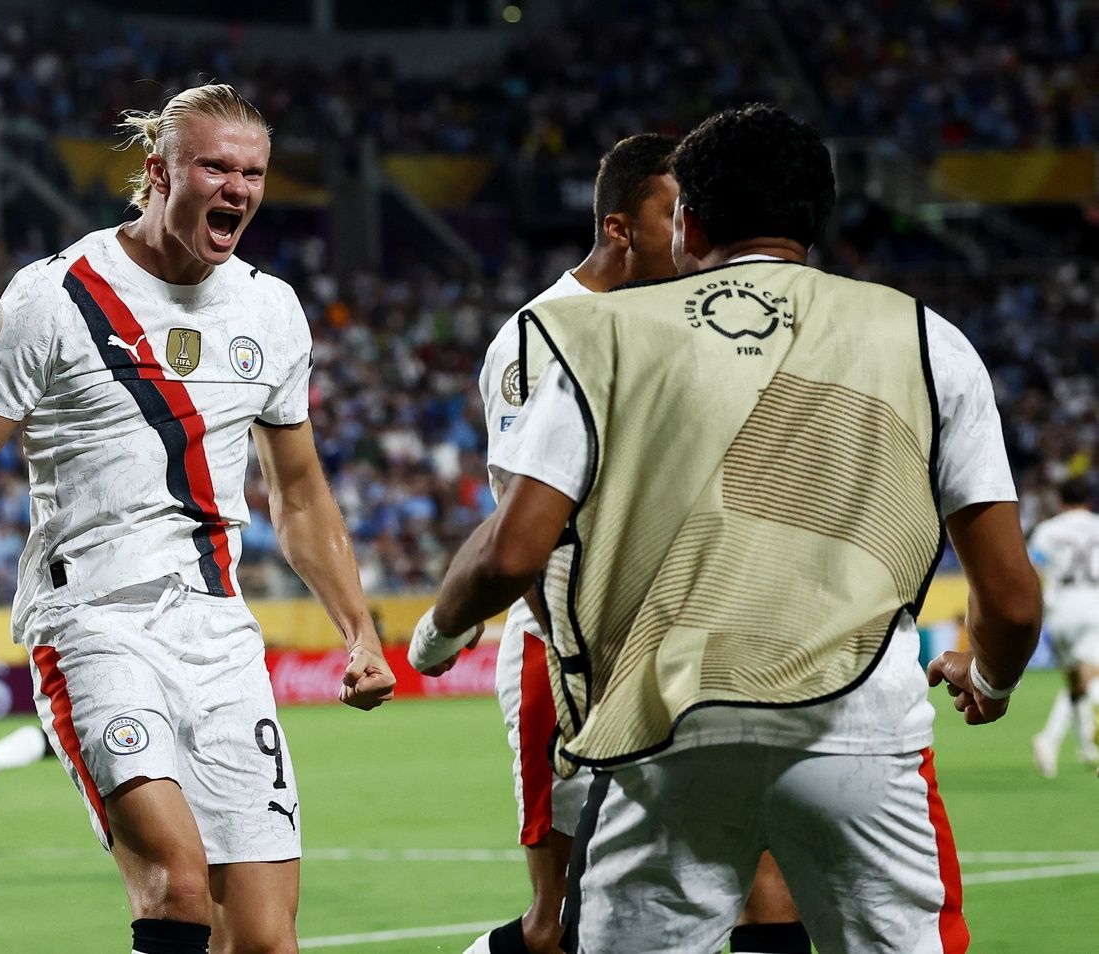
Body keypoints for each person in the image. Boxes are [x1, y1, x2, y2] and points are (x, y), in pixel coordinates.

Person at [411, 104, 1040, 953]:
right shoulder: (928, 340)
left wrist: (435, 636)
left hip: (663, 723)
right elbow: (1010, 598)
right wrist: (989, 679)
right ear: (815, 223)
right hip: (857, 726)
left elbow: (510, 549)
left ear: (690, 226)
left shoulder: (598, 337)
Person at [0, 83, 396, 954]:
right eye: (215, 167)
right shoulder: (55, 297)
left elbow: (299, 493)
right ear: (157, 173)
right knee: (176, 887)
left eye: (253, 173)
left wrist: (359, 632)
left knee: (265, 939)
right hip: (93, 624)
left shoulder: (270, 310)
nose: (237, 188)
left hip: (219, 634)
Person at [414, 134, 807, 954]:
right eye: (675, 213)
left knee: (766, 889)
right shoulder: (542, 335)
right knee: (561, 926)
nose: (692, 232)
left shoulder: (696, 321)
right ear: (620, 229)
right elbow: (525, 528)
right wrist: (579, 664)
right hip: (570, 658)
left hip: (695, 649)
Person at [1027, 475, 1099, 777]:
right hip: (1093, 607)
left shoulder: (1047, 531)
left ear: (1060, 501)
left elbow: (1033, 571)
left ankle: (1084, 746)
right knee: (1091, 678)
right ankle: (1049, 739)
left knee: (1074, 682)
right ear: (1089, 500)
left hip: (1059, 612)